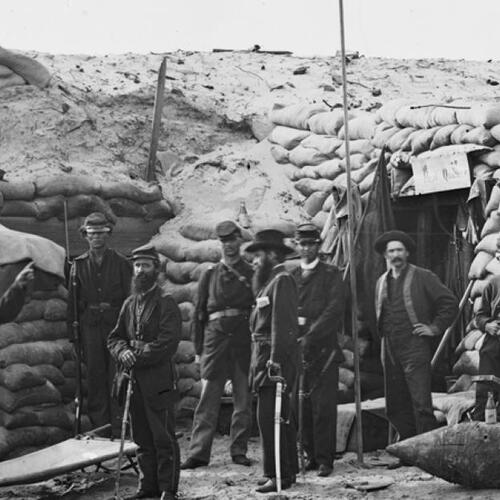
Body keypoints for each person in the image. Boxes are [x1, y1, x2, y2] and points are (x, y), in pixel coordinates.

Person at [107, 244, 181, 500]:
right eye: (137, 265)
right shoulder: (129, 303)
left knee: (163, 437)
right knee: (141, 437)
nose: (140, 270)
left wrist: (135, 357)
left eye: (146, 265)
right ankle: (146, 485)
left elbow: (166, 343)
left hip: (158, 380)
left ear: (155, 269)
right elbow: (114, 338)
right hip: (133, 381)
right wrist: (122, 352)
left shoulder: (166, 302)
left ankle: (167, 489)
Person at [181, 220, 254, 469]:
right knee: (207, 401)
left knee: (243, 401)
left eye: (233, 240)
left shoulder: (250, 273)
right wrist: (199, 350)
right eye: (224, 241)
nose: (229, 246)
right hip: (215, 343)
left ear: (240, 242)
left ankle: (239, 450)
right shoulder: (209, 274)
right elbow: (198, 314)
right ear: (219, 244)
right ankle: (198, 453)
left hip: (243, 344)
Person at [374, 230, 458, 441]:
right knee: (395, 402)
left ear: (407, 253)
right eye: (391, 251)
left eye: (400, 250)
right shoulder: (381, 281)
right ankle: (406, 449)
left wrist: (434, 328)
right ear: (385, 255)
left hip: (414, 345)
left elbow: (449, 303)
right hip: (390, 347)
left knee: (420, 402)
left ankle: (426, 449)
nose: (396, 255)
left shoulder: (423, 276)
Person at [67, 212, 132, 433]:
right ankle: (101, 429)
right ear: (85, 236)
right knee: (95, 377)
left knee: (117, 375)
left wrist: (129, 333)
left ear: (108, 235)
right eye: (91, 234)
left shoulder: (122, 263)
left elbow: (129, 300)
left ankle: (118, 426)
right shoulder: (78, 265)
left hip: (115, 326)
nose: (96, 238)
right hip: (90, 328)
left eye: (101, 234)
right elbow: (72, 305)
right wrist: (73, 338)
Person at [290, 223, 346, 477]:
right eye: (302, 244)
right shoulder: (290, 277)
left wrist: (310, 336)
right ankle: (310, 455)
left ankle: (325, 459)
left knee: (324, 406)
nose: (306, 248)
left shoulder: (331, 275)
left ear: (319, 246)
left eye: (311, 244)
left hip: (324, 352)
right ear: (296, 246)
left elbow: (334, 310)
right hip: (297, 352)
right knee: (301, 406)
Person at [247, 229, 299, 493]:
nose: (254, 262)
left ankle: (276, 475)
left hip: (273, 361)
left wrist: (276, 360)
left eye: (257, 256)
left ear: (270, 254)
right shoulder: (270, 282)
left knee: (270, 419)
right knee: (275, 417)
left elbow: (283, 325)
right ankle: (286, 471)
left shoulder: (282, 281)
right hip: (264, 359)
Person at [473, 233, 500, 417]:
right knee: (487, 387)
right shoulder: (493, 285)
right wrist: (487, 325)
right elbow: (479, 316)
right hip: (496, 341)